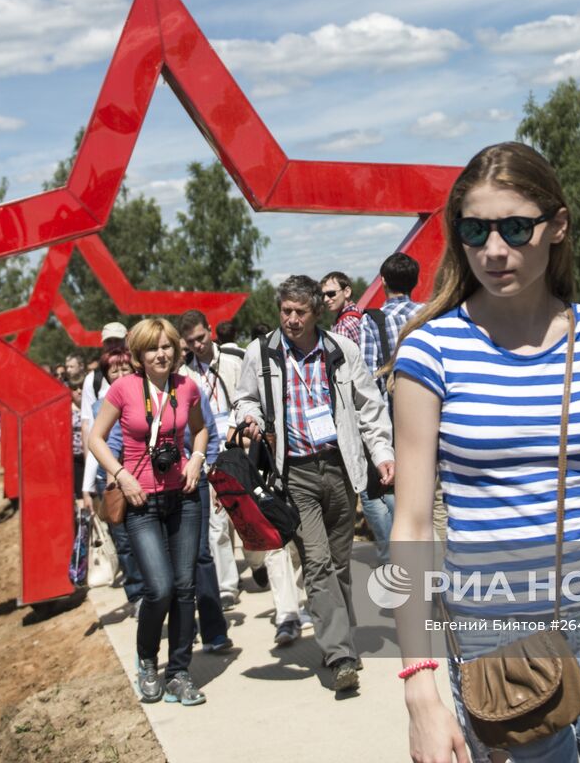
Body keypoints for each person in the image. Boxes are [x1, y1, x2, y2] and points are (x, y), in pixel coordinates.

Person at [390, 141, 580, 763]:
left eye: (515, 227)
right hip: (499, 649)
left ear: (557, 226)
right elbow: (413, 525)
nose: (494, 249)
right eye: (475, 230)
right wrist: (421, 690)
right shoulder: (430, 352)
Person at [233, 275, 395, 692]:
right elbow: (244, 398)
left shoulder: (342, 351)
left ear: (314, 312)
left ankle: (340, 633)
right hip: (295, 473)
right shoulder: (262, 353)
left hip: (339, 468)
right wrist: (248, 419)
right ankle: (340, 654)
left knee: (340, 564)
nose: (290, 319)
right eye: (285, 311)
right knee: (317, 562)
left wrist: (382, 455)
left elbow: (369, 407)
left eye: (299, 312)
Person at [87, 317, 211, 707]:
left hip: (184, 496)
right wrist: (121, 474)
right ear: (139, 355)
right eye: (153, 348)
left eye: (167, 346)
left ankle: (178, 673)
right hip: (140, 500)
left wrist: (197, 458)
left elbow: (201, 428)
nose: (162, 354)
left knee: (186, 587)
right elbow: (95, 438)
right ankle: (146, 661)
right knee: (159, 588)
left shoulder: (187, 386)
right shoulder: (124, 388)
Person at [356, 251, 424, 566]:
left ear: (383, 282)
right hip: (430, 414)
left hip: (396, 418)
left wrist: (379, 433)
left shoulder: (373, 320)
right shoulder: (429, 314)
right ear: (415, 281)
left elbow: (372, 377)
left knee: (397, 490)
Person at [179, 308, 243, 610]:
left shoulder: (233, 361)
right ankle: (228, 585)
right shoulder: (184, 376)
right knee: (217, 522)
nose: (197, 345)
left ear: (211, 329)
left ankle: (255, 560)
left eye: (201, 338)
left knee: (248, 512)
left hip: (239, 446)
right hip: (206, 450)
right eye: (191, 341)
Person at [80, 344, 144, 610]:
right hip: (112, 478)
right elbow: (95, 446)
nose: (119, 374)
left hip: (141, 474)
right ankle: (137, 594)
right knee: (125, 541)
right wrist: (87, 488)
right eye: (113, 370)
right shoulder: (99, 406)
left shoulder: (145, 394)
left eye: (124, 368)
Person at [320, 270, 363, 344]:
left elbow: (342, 356)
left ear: (347, 292)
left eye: (331, 293)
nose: (325, 299)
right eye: (323, 295)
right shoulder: (361, 314)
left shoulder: (341, 328)